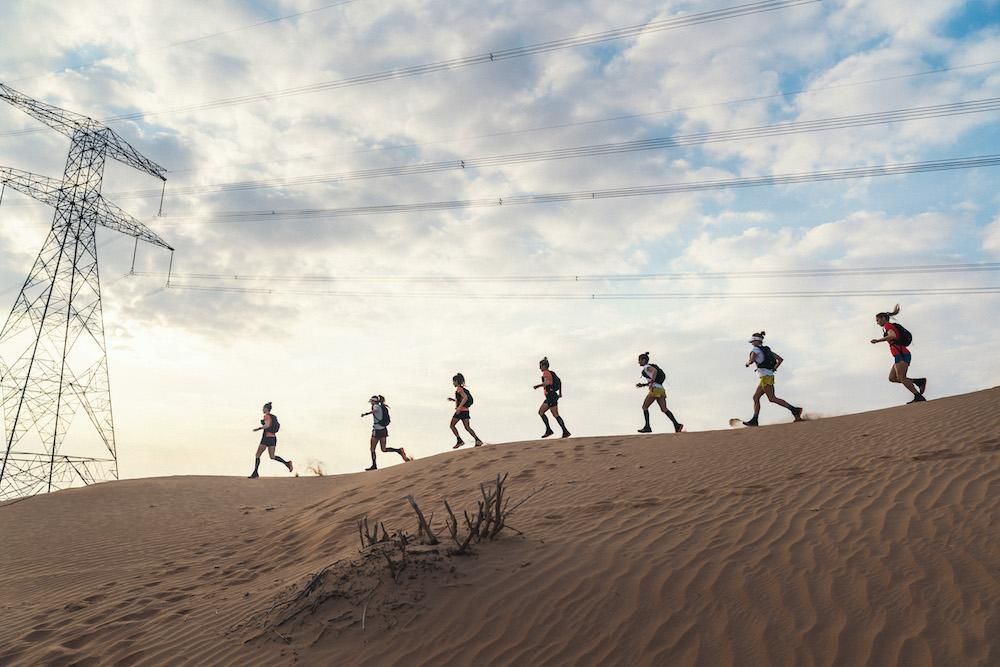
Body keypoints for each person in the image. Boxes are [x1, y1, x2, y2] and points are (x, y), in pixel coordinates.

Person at [742, 332, 804, 427]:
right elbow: (780, 359)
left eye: (752, 341)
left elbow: (751, 360)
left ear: (756, 341)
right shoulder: (767, 350)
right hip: (767, 376)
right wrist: (774, 368)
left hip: (765, 377)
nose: (751, 343)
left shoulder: (755, 350)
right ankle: (754, 420)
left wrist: (748, 363)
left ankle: (795, 410)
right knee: (756, 397)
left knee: (772, 398)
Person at [871, 304, 927, 404]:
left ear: (883, 318)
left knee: (901, 377)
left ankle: (918, 396)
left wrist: (878, 340)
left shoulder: (888, 326)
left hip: (901, 354)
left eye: (878, 320)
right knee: (892, 378)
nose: (877, 322)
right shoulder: (887, 327)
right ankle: (918, 382)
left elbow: (892, 336)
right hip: (899, 354)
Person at [635, 352, 683, 433]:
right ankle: (677, 425)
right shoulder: (648, 368)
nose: (638, 362)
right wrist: (643, 385)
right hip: (661, 389)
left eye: (639, 360)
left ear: (643, 360)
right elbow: (653, 378)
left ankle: (647, 427)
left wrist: (652, 382)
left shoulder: (647, 367)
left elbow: (655, 371)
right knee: (664, 409)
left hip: (655, 389)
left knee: (644, 407)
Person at [361, 395, 411, 470]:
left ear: (373, 401)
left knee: (372, 449)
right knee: (383, 449)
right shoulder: (381, 406)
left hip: (377, 430)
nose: (371, 403)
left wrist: (366, 414)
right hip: (383, 430)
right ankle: (399, 451)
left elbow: (374, 410)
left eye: (371, 401)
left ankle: (374, 465)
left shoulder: (376, 406)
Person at [249, 402, 293, 478]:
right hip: (273, 438)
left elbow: (267, 425)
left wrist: (258, 428)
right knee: (272, 456)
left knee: (258, 455)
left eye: (263, 408)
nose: (262, 409)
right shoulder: (273, 417)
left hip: (266, 437)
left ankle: (255, 473)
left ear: (266, 409)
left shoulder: (266, 416)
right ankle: (287, 463)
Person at [532, 357, 571, 438]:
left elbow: (547, 383)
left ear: (544, 366)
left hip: (551, 396)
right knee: (546, 413)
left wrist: (537, 386)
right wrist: (560, 393)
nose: (539, 368)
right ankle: (556, 430)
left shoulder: (546, 373)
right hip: (552, 396)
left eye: (540, 366)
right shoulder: (551, 373)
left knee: (550, 413)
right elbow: (559, 381)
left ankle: (561, 431)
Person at [449, 373, 484, 448]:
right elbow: (461, 399)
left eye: (453, 381)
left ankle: (459, 441)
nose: (453, 383)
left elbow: (465, 398)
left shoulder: (459, 389)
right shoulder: (461, 389)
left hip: (461, 411)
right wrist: (453, 400)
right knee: (467, 427)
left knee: (452, 425)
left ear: (457, 381)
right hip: (465, 411)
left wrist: (459, 408)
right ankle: (478, 440)